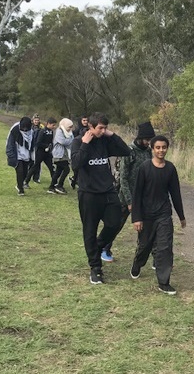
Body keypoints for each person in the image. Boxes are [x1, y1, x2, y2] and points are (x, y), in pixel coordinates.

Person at [70, 112, 131, 284]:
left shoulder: (105, 140)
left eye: (105, 128)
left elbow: (125, 151)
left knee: (114, 222)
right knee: (89, 230)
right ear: (90, 126)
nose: (103, 131)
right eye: (100, 128)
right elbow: (75, 164)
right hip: (88, 194)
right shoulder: (78, 142)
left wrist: (112, 135)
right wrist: (85, 145)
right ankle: (95, 268)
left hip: (108, 191)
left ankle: (97, 247)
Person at [130, 135, 186, 295]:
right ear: (152, 149)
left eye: (164, 147)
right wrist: (136, 217)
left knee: (165, 247)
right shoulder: (144, 168)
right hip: (146, 215)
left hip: (163, 214)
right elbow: (137, 194)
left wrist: (181, 216)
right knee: (144, 245)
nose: (161, 150)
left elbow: (175, 193)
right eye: (158, 147)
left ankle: (164, 282)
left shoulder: (170, 169)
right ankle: (137, 263)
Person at [102, 121, 155, 262]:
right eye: (147, 139)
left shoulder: (149, 152)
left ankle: (150, 256)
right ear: (140, 138)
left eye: (151, 140)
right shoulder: (128, 151)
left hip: (144, 197)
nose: (149, 142)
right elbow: (123, 178)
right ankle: (104, 248)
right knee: (116, 224)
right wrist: (130, 201)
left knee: (147, 227)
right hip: (126, 196)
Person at [6, 116, 34, 196]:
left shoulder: (31, 132)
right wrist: (11, 156)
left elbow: (32, 144)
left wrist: (32, 156)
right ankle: (21, 189)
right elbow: (10, 144)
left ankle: (19, 185)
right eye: (23, 128)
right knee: (20, 171)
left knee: (25, 172)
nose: (25, 130)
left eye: (26, 129)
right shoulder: (14, 130)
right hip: (17, 154)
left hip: (26, 155)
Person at [26, 117, 56, 185]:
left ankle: (54, 183)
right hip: (40, 152)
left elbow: (50, 141)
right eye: (53, 125)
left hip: (47, 153)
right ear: (48, 124)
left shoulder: (51, 131)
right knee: (35, 166)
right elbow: (38, 143)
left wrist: (50, 148)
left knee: (51, 167)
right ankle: (26, 181)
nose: (54, 127)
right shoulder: (42, 131)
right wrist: (46, 146)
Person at [48, 118, 74, 194]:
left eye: (71, 127)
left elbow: (72, 140)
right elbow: (63, 141)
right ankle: (59, 185)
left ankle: (51, 187)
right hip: (59, 154)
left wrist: (70, 141)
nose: (70, 129)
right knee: (66, 169)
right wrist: (70, 141)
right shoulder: (59, 131)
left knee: (58, 171)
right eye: (69, 127)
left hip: (65, 154)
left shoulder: (69, 132)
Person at [70, 115, 89, 189]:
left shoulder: (88, 129)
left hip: (85, 149)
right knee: (76, 168)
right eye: (84, 120)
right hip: (77, 149)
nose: (85, 122)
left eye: (86, 120)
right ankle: (74, 182)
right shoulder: (77, 130)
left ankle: (77, 181)